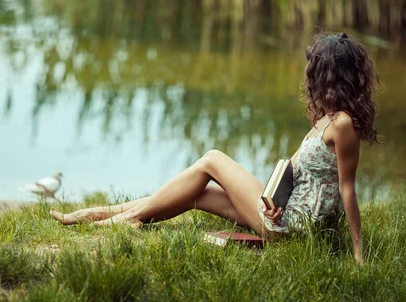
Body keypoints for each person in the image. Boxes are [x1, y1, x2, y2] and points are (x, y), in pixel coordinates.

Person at [51, 32, 379, 265]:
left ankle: (118, 217)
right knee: (198, 194)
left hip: (290, 228)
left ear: (328, 76)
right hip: (280, 215)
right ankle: (103, 214)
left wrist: (357, 252)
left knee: (212, 160)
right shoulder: (327, 120)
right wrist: (271, 203)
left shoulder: (343, 125)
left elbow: (346, 189)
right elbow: (293, 175)